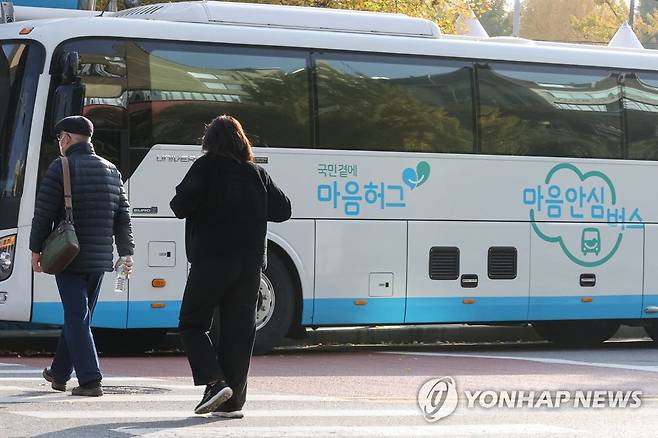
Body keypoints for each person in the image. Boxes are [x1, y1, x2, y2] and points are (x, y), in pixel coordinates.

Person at [170, 115, 291, 417]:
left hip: (211, 261)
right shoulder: (256, 173)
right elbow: (283, 209)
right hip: (250, 265)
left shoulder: (205, 167)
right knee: (239, 332)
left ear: (209, 141)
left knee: (191, 323)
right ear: (241, 140)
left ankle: (214, 381)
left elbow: (179, 205)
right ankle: (233, 403)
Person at [30, 115, 134, 397]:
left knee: (77, 316)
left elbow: (43, 214)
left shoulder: (60, 166)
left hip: (68, 254)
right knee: (79, 315)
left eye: (59, 138)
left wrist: (35, 250)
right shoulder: (111, 170)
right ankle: (60, 373)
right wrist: (126, 252)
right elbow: (122, 217)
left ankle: (90, 379)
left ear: (66, 138)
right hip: (100, 258)